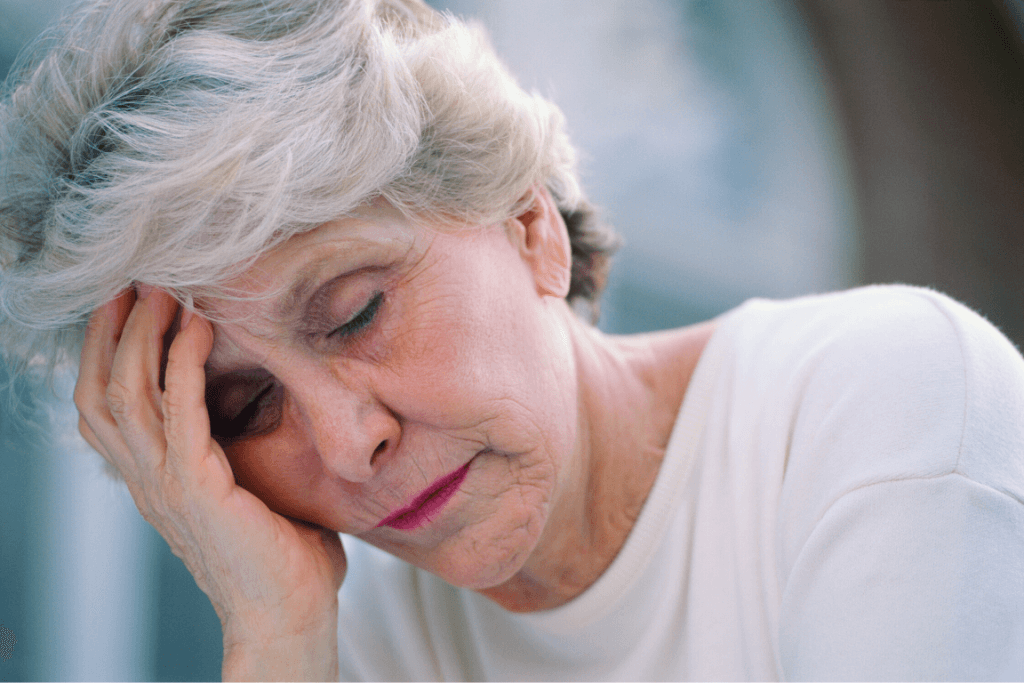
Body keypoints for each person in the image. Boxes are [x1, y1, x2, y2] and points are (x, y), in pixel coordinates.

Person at [1, 0, 1022, 679]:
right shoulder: (343, 638)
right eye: (247, 407)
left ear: (528, 224)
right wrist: (273, 638)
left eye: (356, 309)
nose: (350, 440)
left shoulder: (877, 398)